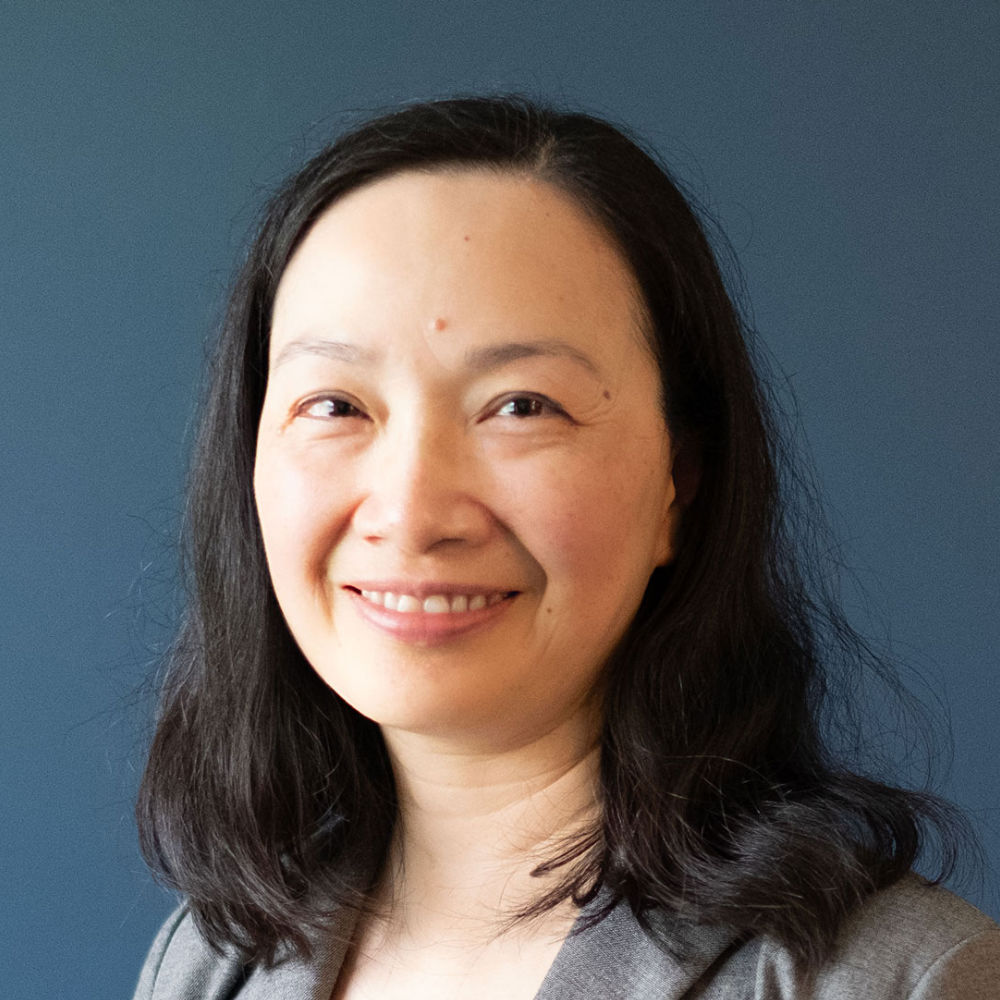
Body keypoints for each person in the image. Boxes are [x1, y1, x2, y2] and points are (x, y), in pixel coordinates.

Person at [132, 96, 1000, 999]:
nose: (412, 512)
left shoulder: (900, 979)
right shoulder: (210, 961)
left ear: (679, 483)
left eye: (522, 406)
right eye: (335, 405)